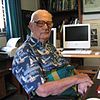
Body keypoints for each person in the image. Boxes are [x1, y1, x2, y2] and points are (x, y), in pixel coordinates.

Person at [12, 9, 93, 100]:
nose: (46, 27)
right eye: (40, 23)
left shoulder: (49, 46)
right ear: (31, 26)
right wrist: (77, 79)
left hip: (73, 89)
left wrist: (81, 82)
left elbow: (67, 67)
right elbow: (42, 90)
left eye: (49, 23)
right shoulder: (24, 52)